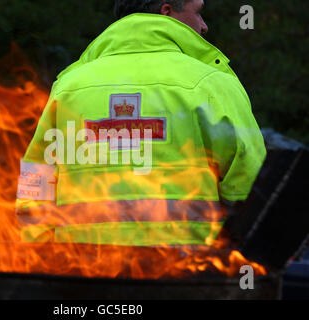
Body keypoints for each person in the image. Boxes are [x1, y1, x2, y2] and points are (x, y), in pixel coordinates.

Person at [15, 0, 266, 248]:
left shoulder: (69, 87)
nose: (204, 26)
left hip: (81, 273)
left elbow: (35, 184)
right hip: (185, 273)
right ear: (166, 11)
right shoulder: (212, 84)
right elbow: (251, 181)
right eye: (198, 12)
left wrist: (44, 257)